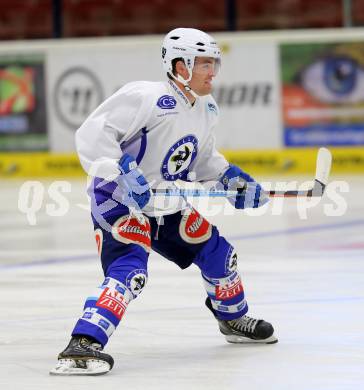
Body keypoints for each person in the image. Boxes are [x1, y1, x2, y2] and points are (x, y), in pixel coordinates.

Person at [50, 27, 277, 376]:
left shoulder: (207, 108)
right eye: (203, 63)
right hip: (119, 199)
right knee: (130, 272)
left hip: (164, 203)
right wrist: (122, 170)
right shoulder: (146, 97)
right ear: (179, 65)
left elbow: (201, 160)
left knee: (219, 253)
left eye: (213, 63)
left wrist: (230, 177)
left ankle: (233, 320)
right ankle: (83, 343)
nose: (212, 71)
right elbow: (93, 133)